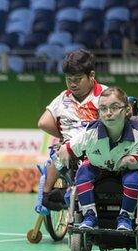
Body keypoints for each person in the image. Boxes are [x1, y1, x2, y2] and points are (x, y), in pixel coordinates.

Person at [56, 87, 138, 230]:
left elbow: (135, 163)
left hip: (137, 162)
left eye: (115, 108)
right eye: (103, 109)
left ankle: (125, 218)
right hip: (102, 164)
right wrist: (63, 154)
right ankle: (89, 216)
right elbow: (67, 149)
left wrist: (130, 161)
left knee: (132, 178)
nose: (108, 113)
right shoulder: (90, 133)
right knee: (82, 174)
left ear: (127, 110)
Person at [37, 49, 107, 210]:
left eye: (78, 79)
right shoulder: (63, 97)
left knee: (64, 155)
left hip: (97, 146)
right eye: (69, 79)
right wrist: (64, 136)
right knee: (58, 154)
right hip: (69, 148)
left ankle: (62, 195)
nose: (73, 84)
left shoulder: (104, 95)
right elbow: (43, 123)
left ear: (91, 75)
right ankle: (48, 195)